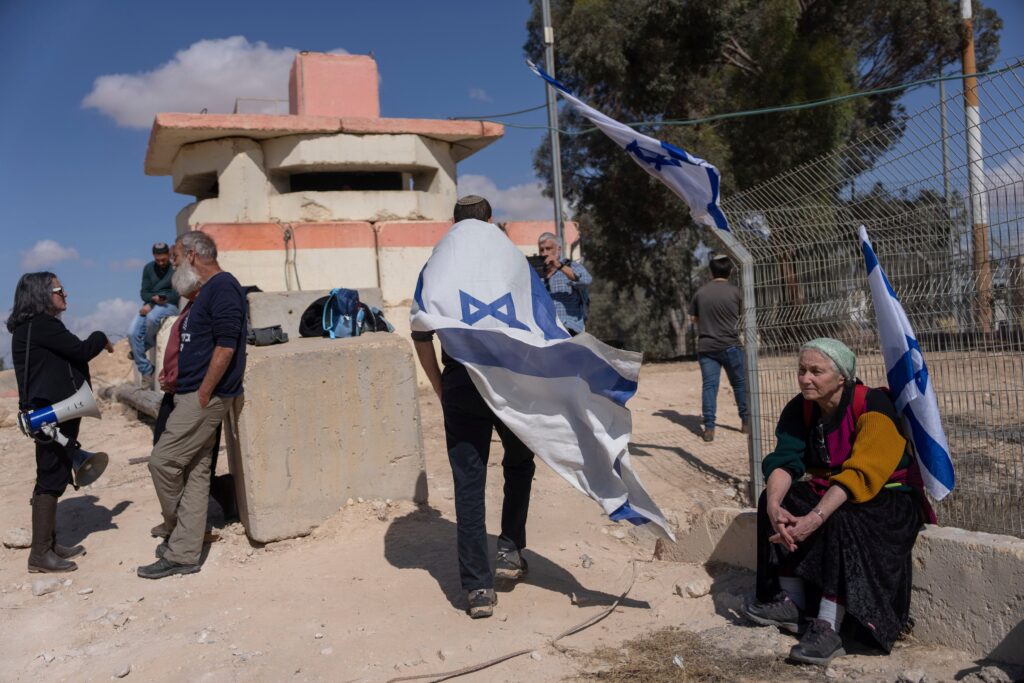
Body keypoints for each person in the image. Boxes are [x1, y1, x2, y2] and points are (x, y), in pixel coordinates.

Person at [742, 338, 928, 665]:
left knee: (840, 516)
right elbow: (785, 461)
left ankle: (829, 625)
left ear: (842, 377)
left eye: (816, 371)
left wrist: (815, 517)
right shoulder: (800, 408)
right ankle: (792, 601)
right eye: (802, 370)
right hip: (834, 491)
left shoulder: (873, 406)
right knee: (779, 498)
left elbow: (861, 474)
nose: (805, 379)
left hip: (888, 496)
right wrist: (774, 506)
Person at [412, 195, 536, 619]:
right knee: (519, 464)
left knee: (468, 484)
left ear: (454, 222)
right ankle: (509, 548)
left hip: (462, 380)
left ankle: (477, 589)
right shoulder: (511, 259)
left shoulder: (437, 264)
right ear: (489, 220)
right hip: (510, 380)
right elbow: (537, 318)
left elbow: (420, 332)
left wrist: (440, 385)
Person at [137, 231, 246, 580]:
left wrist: (204, 392)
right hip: (191, 393)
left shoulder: (224, 287)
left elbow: (226, 346)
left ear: (195, 255)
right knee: (196, 473)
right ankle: (185, 552)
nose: (175, 265)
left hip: (204, 397)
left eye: (178, 257)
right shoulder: (203, 294)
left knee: (163, 462)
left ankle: (178, 530)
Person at [7, 272, 113, 573]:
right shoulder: (42, 326)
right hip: (53, 414)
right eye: (58, 289)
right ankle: (40, 555)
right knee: (50, 477)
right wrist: (100, 337)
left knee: (54, 472)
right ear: (42, 294)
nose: (64, 294)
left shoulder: (31, 328)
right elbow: (80, 350)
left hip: (53, 412)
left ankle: (50, 545)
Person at [688, 253, 748, 442]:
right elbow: (745, 317)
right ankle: (746, 422)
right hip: (731, 346)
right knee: (739, 384)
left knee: (709, 386)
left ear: (711, 271)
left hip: (707, 347)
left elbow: (693, 319)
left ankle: (709, 428)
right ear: (730, 270)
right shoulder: (737, 292)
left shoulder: (700, 292)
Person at [128, 242, 180, 386]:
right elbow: (144, 293)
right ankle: (147, 370)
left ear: (168, 255)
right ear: (154, 256)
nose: (161, 263)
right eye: (158, 260)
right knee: (132, 332)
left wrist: (158, 298)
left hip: (169, 306)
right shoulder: (148, 268)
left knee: (151, 318)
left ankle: (141, 348)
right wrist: (153, 300)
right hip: (151, 305)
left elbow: (176, 295)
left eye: (164, 259)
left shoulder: (175, 269)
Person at [537, 232, 592, 335]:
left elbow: (586, 279)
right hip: (546, 331)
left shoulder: (570, 265)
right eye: (541, 250)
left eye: (548, 249)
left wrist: (560, 266)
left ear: (558, 250)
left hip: (569, 329)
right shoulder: (537, 273)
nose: (544, 253)